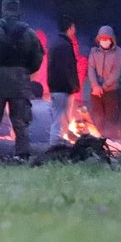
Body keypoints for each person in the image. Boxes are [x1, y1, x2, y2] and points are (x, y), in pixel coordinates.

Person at [0, 0, 45, 161]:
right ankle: (22, 155)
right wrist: (25, 71)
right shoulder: (29, 33)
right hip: (20, 81)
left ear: (3, 8)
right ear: (18, 9)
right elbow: (37, 59)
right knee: (21, 122)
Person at [47, 15, 80, 146]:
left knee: (61, 121)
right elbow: (66, 68)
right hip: (63, 89)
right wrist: (72, 86)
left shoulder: (56, 43)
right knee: (60, 122)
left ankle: (57, 148)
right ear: (70, 28)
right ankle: (55, 150)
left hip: (57, 88)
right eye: (74, 27)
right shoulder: (65, 45)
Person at [88, 25, 121, 139]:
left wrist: (103, 86)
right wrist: (95, 85)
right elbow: (91, 69)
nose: (104, 41)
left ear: (112, 39)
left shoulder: (118, 52)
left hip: (111, 91)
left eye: (106, 38)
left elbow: (116, 73)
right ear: (98, 39)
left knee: (111, 120)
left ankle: (112, 142)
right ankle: (99, 142)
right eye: (102, 38)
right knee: (98, 118)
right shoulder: (94, 52)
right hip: (95, 92)